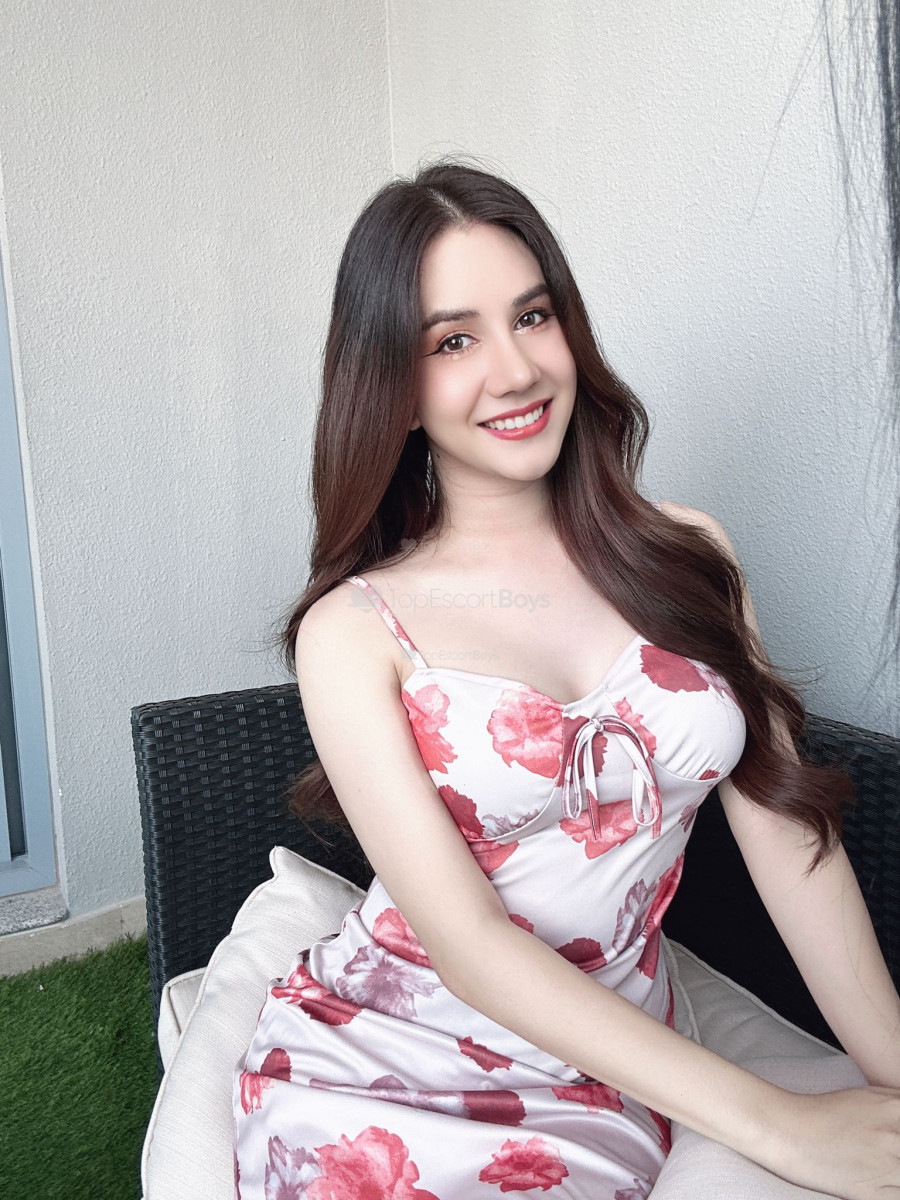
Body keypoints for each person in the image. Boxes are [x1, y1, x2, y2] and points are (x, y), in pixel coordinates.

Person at [232, 159, 900, 1199]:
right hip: (393, 1061)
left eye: (532, 317)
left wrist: (893, 1071)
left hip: (617, 1066)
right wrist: (786, 1128)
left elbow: (786, 832)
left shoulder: (692, 556)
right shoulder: (354, 630)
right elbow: (468, 946)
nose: (516, 371)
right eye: (453, 341)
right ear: (394, 391)